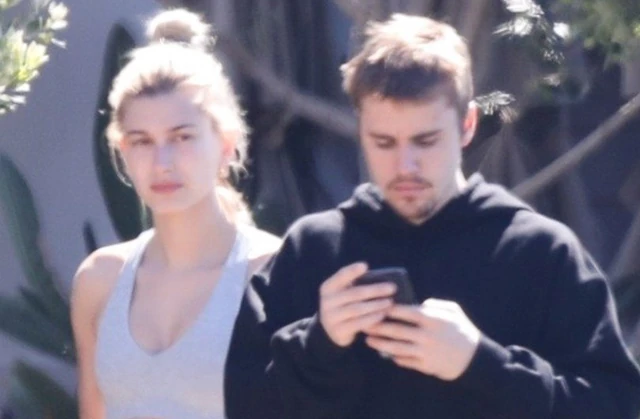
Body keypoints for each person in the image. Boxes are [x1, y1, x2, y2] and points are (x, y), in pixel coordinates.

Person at [249, 13, 640, 419]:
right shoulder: (312, 251)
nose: (405, 166)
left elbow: (614, 406)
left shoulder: (541, 252)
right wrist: (320, 341)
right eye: (384, 142)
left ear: (467, 125)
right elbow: (244, 401)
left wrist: (480, 363)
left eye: (426, 140)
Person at [70, 9, 282, 419]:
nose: (162, 162)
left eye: (182, 137)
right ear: (122, 152)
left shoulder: (273, 272)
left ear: (225, 145)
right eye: (142, 141)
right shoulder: (99, 280)